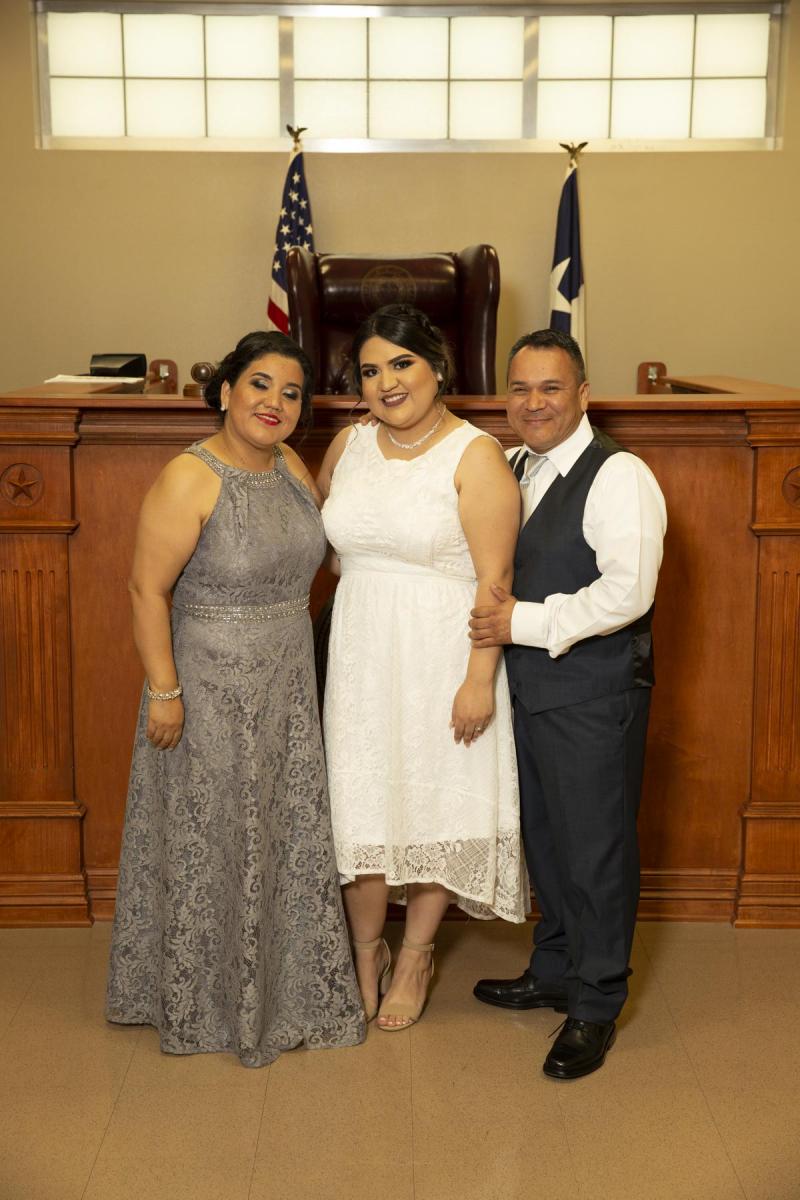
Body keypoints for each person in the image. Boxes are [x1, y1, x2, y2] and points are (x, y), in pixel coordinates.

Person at [106, 330, 365, 1067]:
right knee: (213, 835)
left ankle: (283, 993)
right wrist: (165, 690)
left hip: (287, 684)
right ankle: (206, 1003)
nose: (274, 403)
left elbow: (332, 548)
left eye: (291, 393)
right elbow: (146, 590)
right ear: (225, 391)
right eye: (259, 384)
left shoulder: (289, 464)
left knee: (280, 832)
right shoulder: (190, 477)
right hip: (207, 687)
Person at [317, 304, 528, 1031]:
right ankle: (364, 951)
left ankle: (414, 956)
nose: (387, 382)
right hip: (360, 654)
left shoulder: (475, 454)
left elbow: (496, 581)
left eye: (401, 364)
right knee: (362, 802)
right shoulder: (348, 445)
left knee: (437, 802)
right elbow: (326, 541)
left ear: (437, 367)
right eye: (370, 370)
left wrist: (478, 678)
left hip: (443, 653)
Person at [470, 329, 667, 1079]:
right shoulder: (511, 465)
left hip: (594, 693)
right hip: (528, 690)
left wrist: (519, 622)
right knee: (546, 842)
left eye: (550, 387)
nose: (534, 403)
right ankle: (554, 968)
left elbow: (628, 590)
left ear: (582, 394)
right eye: (520, 389)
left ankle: (595, 1002)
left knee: (596, 851)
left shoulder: (620, 475)